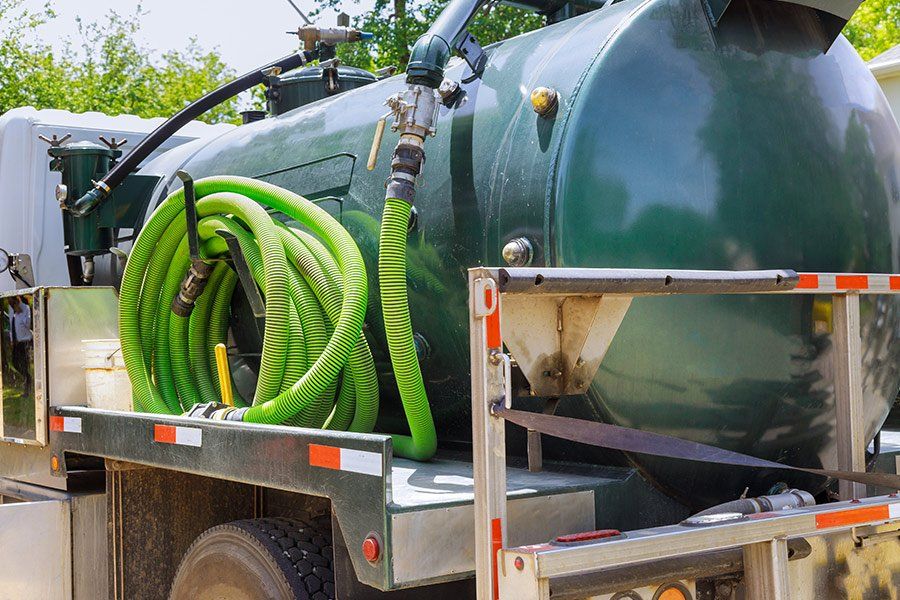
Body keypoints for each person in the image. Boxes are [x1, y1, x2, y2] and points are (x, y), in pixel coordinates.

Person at [8, 296, 33, 390]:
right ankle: (27, 378)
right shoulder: (11, 309)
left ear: (17, 301)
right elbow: (11, 325)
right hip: (16, 342)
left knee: (25, 364)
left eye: (12, 302)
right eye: (10, 303)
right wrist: (12, 339)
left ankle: (27, 386)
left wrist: (20, 313)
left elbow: (28, 324)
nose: (11, 305)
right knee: (15, 363)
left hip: (24, 341)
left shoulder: (26, 308)